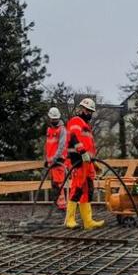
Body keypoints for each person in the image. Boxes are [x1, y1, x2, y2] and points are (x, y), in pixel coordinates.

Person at [65, 97, 104, 230]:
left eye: (90, 111)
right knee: (77, 189)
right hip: (78, 161)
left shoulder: (87, 126)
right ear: (81, 109)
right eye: (87, 110)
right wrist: (82, 152)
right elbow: (73, 137)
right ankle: (69, 220)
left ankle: (88, 221)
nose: (89, 113)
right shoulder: (76, 121)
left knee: (88, 191)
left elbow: (90, 148)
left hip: (87, 163)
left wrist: (94, 163)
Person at [44, 106, 68, 209]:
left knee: (59, 183)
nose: (54, 121)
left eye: (55, 119)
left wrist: (55, 158)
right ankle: (58, 203)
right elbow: (48, 145)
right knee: (54, 184)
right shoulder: (49, 129)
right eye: (53, 119)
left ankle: (62, 205)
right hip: (51, 162)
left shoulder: (62, 130)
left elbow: (62, 146)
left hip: (58, 160)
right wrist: (46, 159)